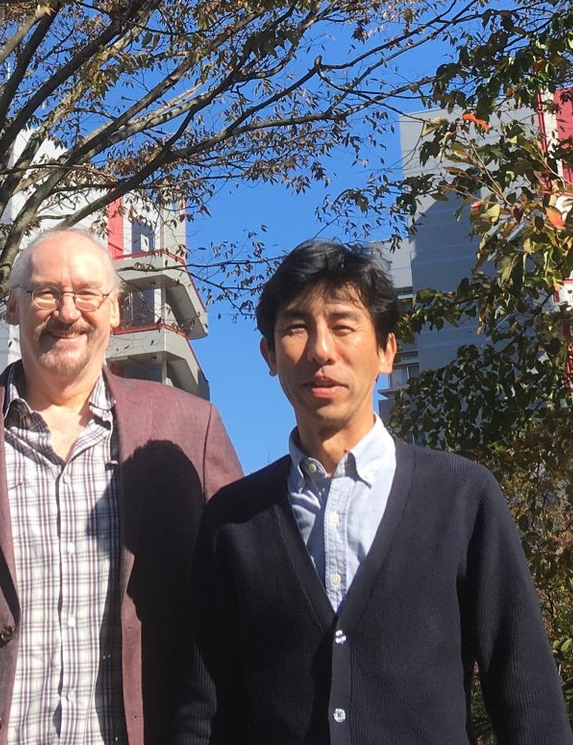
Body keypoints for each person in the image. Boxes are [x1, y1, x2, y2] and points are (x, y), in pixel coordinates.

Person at [0, 229, 242, 745]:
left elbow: (243, 613)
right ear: (13, 306)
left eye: (88, 294)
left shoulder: (189, 431)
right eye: (47, 292)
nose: (68, 313)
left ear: (115, 310)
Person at [174, 240, 572, 745]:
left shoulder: (461, 497)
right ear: (269, 355)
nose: (321, 350)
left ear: (387, 351)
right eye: (296, 328)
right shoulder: (234, 520)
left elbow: (527, 696)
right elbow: (205, 713)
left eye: (343, 326)